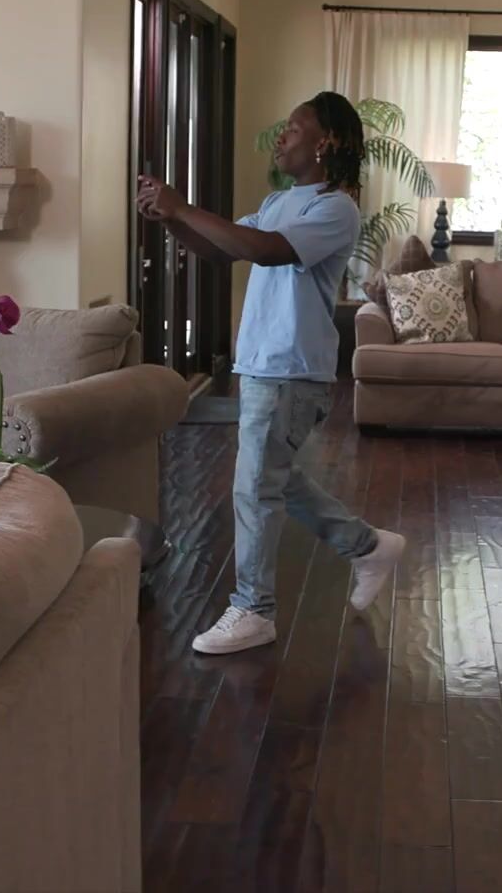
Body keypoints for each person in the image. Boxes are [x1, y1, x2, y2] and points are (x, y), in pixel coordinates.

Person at [136, 91, 406, 654]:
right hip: (263, 363)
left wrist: (182, 206)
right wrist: (171, 220)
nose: (281, 136)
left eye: (293, 128)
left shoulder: (335, 208)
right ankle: (367, 546)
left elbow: (266, 250)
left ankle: (254, 609)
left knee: (256, 485)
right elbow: (223, 250)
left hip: (292, 368)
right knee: (270, 478)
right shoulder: (280, 200)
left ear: (325, 142)